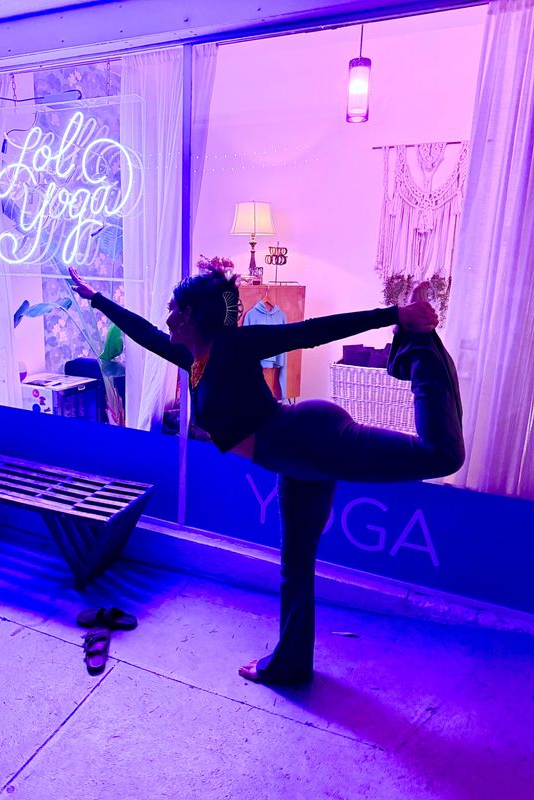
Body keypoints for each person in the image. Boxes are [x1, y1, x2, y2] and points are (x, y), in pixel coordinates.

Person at [69, 264, 464, 686]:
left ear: (189, 315)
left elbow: (311, 332)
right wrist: (96, 298)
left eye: (172, 307)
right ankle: (290, 664)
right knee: (295, 565)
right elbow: (144, 333)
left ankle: (420, 349)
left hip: (311, 439)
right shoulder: (194, 357)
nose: (166, 317)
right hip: (293, 462)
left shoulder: (234, 345)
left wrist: (395, 316)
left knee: (440, 455)